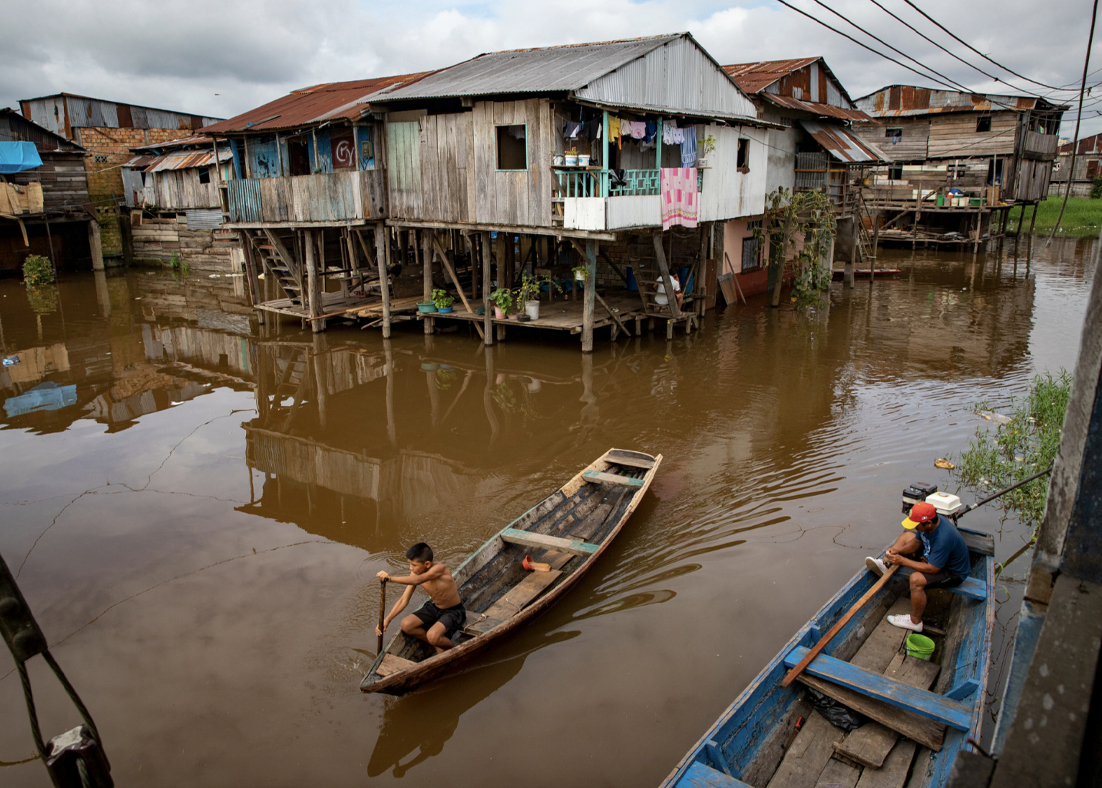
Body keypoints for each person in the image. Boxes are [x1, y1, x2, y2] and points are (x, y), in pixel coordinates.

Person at [865, 501, 971, 632]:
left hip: (952, 572)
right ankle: (886, 564)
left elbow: (933, 569)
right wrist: (899, 551)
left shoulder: (944, 538)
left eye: (916, 525)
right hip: (933, 556)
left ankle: (915, 621)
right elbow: (916, 542)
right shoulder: (928, 525)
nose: (915, 528)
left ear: (928, 523)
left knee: (916, 580)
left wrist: (902, 561)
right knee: (906, 537)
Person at [376, 543, 465, 654]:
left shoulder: (440, 569)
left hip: (453, 611)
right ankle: (437, 644)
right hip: (435, 608)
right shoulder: (414, 574)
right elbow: (404, 600)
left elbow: (419, 580)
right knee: (406, 625)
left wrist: (390, 579)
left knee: (432, 636)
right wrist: (387, 620)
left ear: (427, 564)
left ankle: (453, 650)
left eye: (414, 565)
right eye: (410, 564)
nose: (411, 568)